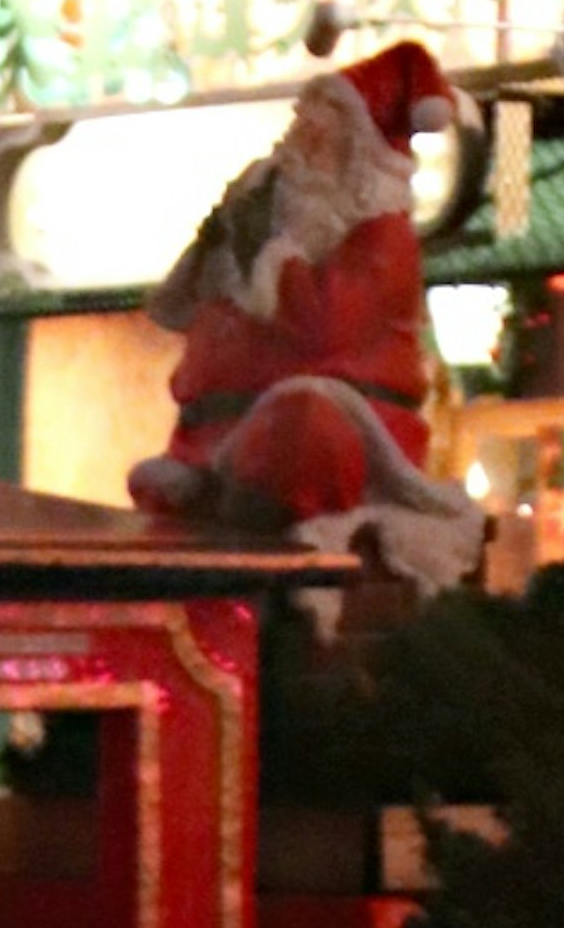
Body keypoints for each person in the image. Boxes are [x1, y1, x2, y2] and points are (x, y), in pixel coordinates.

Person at [128, 41, 480, 579]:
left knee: (304, 426)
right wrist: (217, 243)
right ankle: (213, 492)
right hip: (217, 433)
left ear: (356, 155)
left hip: (330, 424)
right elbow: (177, 311)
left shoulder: (380, 236)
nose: (303, 141)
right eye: (302, 125)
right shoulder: (264, 214)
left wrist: (273, 256)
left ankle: (280, 534)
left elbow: (327, 328)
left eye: (325, 131)